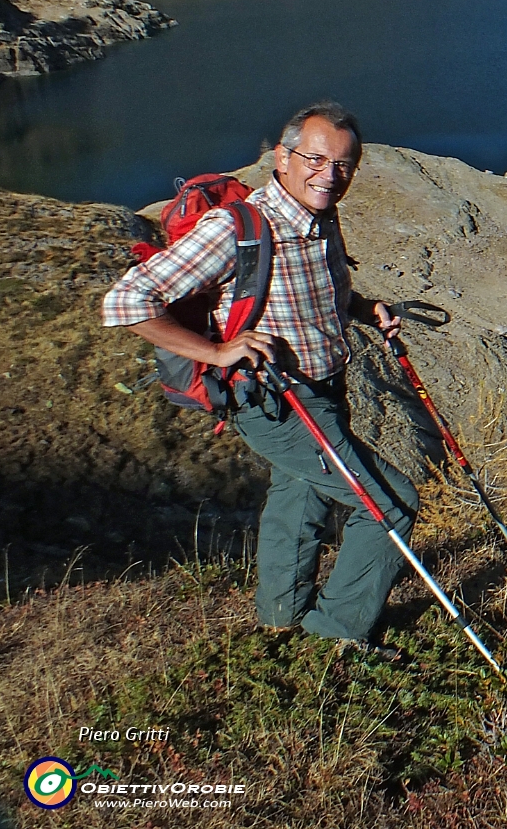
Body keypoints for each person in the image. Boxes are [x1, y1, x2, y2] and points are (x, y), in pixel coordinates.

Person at [103, 101, 418, 652]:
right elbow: (127, 300)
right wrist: (217, 351)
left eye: (344, 164)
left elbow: (316, 294)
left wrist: (365, 309)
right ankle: (336, 636)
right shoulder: (235, 228)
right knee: (389, 505)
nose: (330, 174)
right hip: (275, 400)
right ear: (283, 156)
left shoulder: (321, 216)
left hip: (322, 389)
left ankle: (281, 614)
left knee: (301, 498)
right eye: (316, 159)